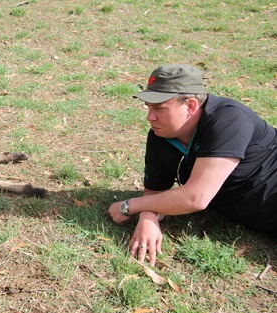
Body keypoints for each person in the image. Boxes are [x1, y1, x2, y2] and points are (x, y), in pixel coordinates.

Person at [108, 64, 277, 266]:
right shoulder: (161, 135)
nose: (150, 117)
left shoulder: (229, 118)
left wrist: (130, 206)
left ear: (190, 105)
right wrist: (147, 217)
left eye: (159, 108)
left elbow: (196, 197)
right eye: (148, 108)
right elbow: (153, 192)